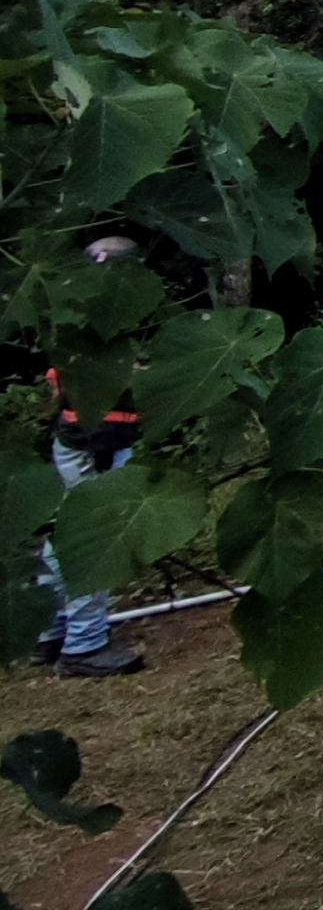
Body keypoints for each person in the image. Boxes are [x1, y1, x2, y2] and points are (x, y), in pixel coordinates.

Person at [34, 237, 145, 678]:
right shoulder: (111, 314)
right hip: (100, 439)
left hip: (75, 434)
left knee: (63, 534)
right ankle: (84, 644)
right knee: (95, 540)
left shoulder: (71, 311)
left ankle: (49, 631)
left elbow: (55, 386)